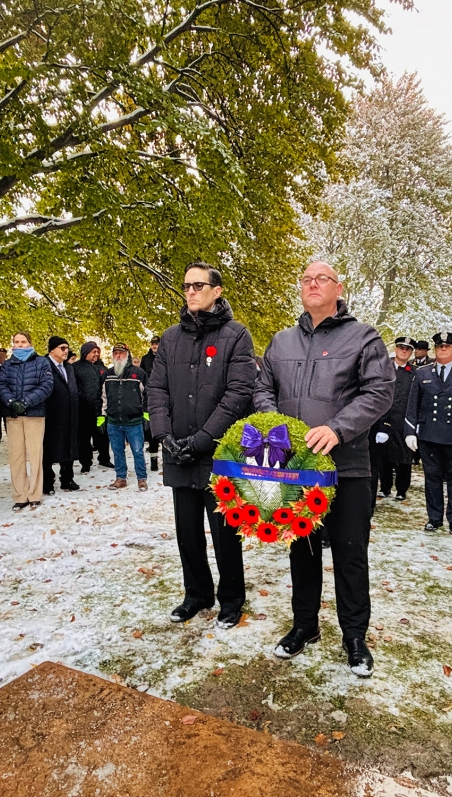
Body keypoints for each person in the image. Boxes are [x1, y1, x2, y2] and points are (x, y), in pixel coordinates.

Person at [254, 261, 393, 677]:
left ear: (339, 288)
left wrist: (338, 428)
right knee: (303, 551)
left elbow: (380, 391)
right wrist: (272, 425)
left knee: (351, 554)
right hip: (296, 472)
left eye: (323, 279)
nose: (313, 285)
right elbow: (263, 388)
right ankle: (305, 626)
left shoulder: (363, 336)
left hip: (347, 469)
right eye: (307, 279)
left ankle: (354, 636)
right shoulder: (281, 342)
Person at [148, 263, 256, 628]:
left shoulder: (236, 335)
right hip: (178, 446)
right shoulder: (171, 337)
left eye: (198, 285)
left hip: (217, 451)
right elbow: (157, 388)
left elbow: (239, 392)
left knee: (225, 529)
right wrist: (164, 435)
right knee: (187, 529)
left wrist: (205, 438)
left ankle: (231, 598)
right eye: (186, 286)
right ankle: (196, 593)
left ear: (217, 290)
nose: (191, 291)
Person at [405, 332, 452, 536]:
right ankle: (434, 518)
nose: (443, 350)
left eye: (448, 347)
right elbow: (413, 405)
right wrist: (410, 431)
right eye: (440, 347)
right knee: (432, 478)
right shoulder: (422, 373)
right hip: (429, 434)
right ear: (435, 349)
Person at [0, 332, 54, 510]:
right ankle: (20, 495)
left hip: (34, 414)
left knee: (35, 455)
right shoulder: (8, 364)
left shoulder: (41, 362)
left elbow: (46, 385)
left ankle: (35, 494)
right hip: (13, 415)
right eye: (16, 342)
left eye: (23, 342)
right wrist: (12, 402)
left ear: (30, 343)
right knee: (16, 456)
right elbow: (1, 385)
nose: (19, 345)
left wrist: (27, 401)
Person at [371, 336, 418, 506]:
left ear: (411, 352)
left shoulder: (415, 373)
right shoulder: (385, 369)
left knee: (405, 457)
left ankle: (401, 489)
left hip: (404, 419)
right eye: (401, 347)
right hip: (383, 418)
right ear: (396, 349)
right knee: (383, 456)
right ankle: (385, 487)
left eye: (407, 349)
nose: (403, 351)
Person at [101, 343, 149, 491]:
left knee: (138, 450)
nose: (118, 355)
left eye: (121, 353)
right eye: (115, 353)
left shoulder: (138, 373)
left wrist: (146, 415)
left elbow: (147, 395)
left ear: (127, 355)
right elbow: (102, 397)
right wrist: (102, 416)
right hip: (114, 421)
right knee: (117, 451)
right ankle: (120, 478)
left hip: (134, 421)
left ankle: (141, 479)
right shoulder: (107, 375)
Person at [43, 336, 80, 495]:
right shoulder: (44, 365)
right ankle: (47, 482)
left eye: (67, 348)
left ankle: (67, 478)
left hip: (69, 413)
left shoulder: (69, 367)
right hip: (51, 413)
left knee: (68, 445)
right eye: (62, 348)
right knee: (48, 448)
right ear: (52, 349)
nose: (66, 351)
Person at [73, 341, 104, 473]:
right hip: (83, 409)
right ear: (86, 353)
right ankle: (85, 462)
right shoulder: (76, 367)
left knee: (102, 434)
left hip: (100, 408)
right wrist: (84, 396)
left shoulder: (101, 367)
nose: (96, 354)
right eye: (93, 352)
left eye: (97, 352)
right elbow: (73, 387)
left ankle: (104, 458)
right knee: (84, 438)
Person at [140, 335, 161, 472]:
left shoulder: (164, 355)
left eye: (157, 343)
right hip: (149, 395)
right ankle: (153, 458)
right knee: (151, 428)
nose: (154, 346)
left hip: (164, 394)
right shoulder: (145, 359)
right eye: (153, 344)